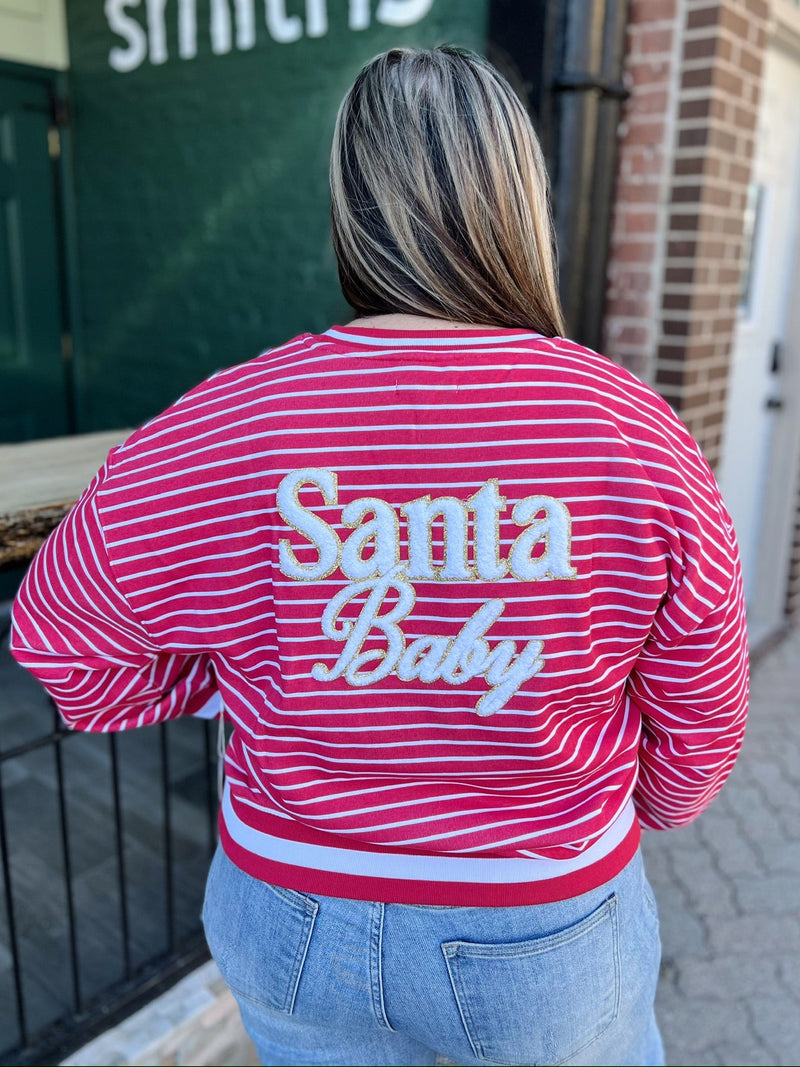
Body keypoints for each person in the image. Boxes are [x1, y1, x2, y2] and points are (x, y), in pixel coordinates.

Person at [10, 46, 747, 1067]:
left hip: (289, 910)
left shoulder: (220, 422)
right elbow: (700, 707)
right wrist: (646, 803)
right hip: (541, 917)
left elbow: (64, 648)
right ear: (517, 201)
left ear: (349, 204)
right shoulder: (629, 428)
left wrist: (234, 674)